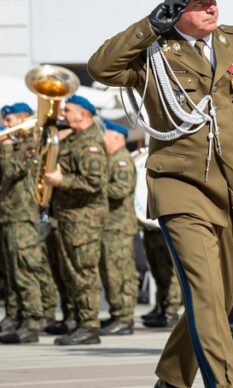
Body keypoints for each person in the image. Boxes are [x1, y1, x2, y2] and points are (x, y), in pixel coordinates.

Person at [88, 0, 233, 388]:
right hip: (180, 187)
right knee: (205, 293)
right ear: (174, 8)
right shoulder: (155, 54)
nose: (210, 7)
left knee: (220, 296)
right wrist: (148, 28)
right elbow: (100, 67)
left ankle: (173, 378)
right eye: (197, 1)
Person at [45, 95, 108, 346]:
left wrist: (62, 181)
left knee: (84, 273)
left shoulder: (91, 143)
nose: (63, 113)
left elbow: (95, 182)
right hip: (68, 217)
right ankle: (76, 319)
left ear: (82, 114)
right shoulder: (74, 138)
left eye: (68, 110)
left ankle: (89, 326)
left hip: (84, 219)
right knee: (70, 272)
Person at [0, 103, 55, 344]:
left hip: (23, 215)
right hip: (8, 215)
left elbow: (13, 171)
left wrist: (6, 149)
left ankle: (32, 321)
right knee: (11, 272)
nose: (6, 125)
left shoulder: (29, 145)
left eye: (10, 120)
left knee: (25, 269)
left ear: (23, 119)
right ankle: (16, 315)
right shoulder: (13, 145)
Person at [98, 119, 138, 336]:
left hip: (119, 226)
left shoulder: (122, 160)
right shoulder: (110, 158)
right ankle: (116, 314)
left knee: (120, 273)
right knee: (109, 273)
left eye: (105, 135)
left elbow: (120, 189)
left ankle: (124, 317)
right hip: (109, 225)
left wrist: (95, 185)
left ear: (115, 137)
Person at [140, 227, 181, 329]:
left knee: (171, 270)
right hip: (152, 227)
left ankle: (170, 311)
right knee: (159, 272)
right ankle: (162, 308)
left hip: (167, 227)